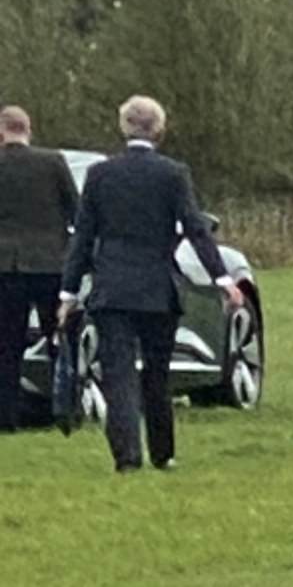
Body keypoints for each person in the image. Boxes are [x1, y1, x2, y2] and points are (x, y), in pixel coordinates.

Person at [58, 95, 244, 472]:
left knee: (119, 374)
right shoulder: (173, 174)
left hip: (112, 289)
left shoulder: (100, 175)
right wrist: (223, 279)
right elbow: (195, 228)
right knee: (157, 374)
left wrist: (68, 292)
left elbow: (82, 238)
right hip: (158, 289)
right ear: (159, 129)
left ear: (124, 127)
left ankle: (126, 458)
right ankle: (163, 453)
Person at [0, 106, 79, 431]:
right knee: (59, 340)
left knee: (7, 344)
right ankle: (66, 410)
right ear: (28, 129)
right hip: (51, 264)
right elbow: (76, 212)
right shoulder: (54, 162)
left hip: (6, 266)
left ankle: (6, 418)